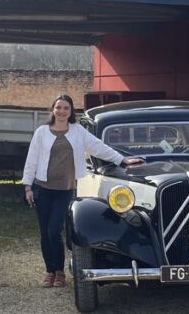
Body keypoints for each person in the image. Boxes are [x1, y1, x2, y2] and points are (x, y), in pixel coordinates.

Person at [22, 94, 144, 288]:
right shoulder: (42, 132)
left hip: (65, 190)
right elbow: (32, 159)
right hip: (42, 188)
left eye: (66, 108)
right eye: (58, 107)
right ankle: (49, 271)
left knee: (55, 230)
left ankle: (60, 271)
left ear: (71, 111)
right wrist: (28, 186)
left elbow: (98, 147)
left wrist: (122, 160)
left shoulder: (77, 131)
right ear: (53, 110)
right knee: (45, 233)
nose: (62, 111)